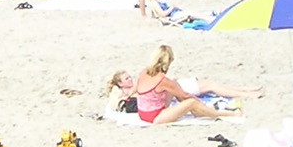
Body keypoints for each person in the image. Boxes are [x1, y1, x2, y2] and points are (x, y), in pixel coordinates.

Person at [104, 45, 250, 123]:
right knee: (191, 101)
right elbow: (184, 95)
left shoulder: (144, 73)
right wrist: (199, 104)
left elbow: (136, 90)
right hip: (154, 116)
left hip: (144, 112)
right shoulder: (162, 80)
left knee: (174, 86)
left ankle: (200, 111)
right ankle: (225, 113)